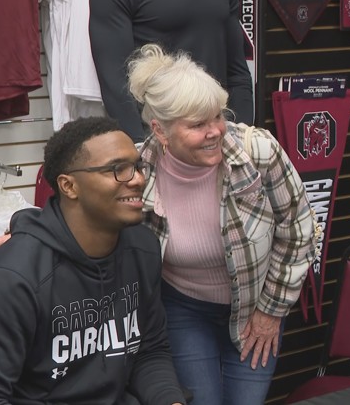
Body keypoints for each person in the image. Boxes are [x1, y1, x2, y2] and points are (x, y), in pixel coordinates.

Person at [126, 43, 316, 404]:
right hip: (183, 309)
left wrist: (271, 312)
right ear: (161, 130)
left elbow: (299, 229)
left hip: (256, 306)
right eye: (198, 124)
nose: (216, 131)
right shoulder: (139, 168)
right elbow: (85, 216)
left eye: (218, 116)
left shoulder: (257, 152)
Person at [0, 116, 187, 405]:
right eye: (117, 169)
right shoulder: (11, 280)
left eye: (137, 167)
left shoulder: (143, 247)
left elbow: (149, 351)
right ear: (69, 186)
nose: (137, 179)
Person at [88, 0, 254, 143]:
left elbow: (236, 71)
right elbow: (115, 83)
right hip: (159, 138)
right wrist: (140, 151)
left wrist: (240, 136)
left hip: (217, 133)